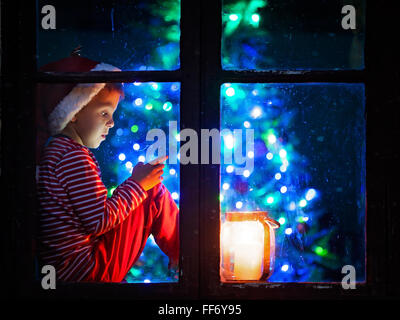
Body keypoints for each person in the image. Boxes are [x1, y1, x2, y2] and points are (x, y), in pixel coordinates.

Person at [35, 51, 179, 282]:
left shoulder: (57, 152)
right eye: (104, 113)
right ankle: (188, 253)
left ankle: (183, 252)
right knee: (152, 191)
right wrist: (138, 184)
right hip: (86, 270)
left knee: (147, 188)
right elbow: (99, 221)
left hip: (74, 267)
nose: (111, 123)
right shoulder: (71, 156)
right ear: (73, 113)